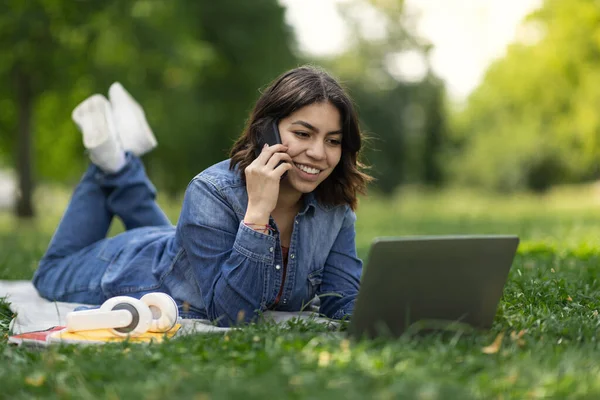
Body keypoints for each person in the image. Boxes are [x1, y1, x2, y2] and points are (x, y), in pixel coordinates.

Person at [33, 66, 372, 327]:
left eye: (333, 141)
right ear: (266, 130)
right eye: (303, 133)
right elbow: (232, 315)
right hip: (129, 268)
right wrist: (257, 213)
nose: (318, 153)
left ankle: (122, 162)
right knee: (49, 274)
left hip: (179, 248)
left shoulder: (334, 209)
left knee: (176, 243)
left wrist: (398, 311)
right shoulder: (212, 191)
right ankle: (109, 162)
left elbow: (340, 301)